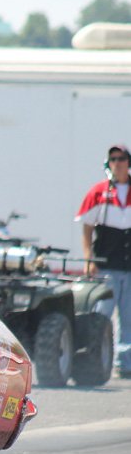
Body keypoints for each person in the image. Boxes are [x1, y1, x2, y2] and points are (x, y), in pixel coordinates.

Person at [78, 142, 131, 378]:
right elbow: (87, 228)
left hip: (128, 265)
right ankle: (95, 360)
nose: (117, 163)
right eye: (113, 160)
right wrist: (89, 258)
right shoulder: (98, 192)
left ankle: (126, 364)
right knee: (101, 315)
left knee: (128, 319)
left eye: (121, 159)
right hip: (106, 266)